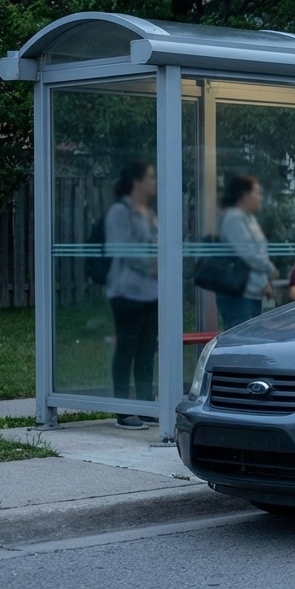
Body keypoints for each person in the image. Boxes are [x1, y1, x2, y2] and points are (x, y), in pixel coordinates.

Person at [105, 162, 158, 430]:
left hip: (151, 291)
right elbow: (123, 249)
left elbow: (162, 242)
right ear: (136, 182)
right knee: (127, 348)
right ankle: (124, 411)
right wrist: (153, 264)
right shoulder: (119, 212)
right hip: (126, 292)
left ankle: (147, 406)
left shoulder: (149, 213)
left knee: (147, 349)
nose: (155, 181)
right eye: (151, 176)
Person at [217, 174, 277, 330]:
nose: (260, 198)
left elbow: (258, 252)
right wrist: (270, 269)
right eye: (256, 193)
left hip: (251, 292)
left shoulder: (248, 218)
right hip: (238, 294)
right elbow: (249, 253)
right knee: (240, 340)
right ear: (244, 196)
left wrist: (265, 282)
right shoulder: (234, 218)